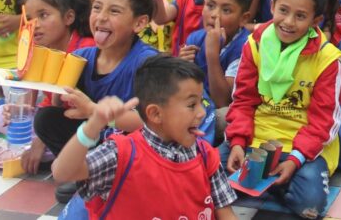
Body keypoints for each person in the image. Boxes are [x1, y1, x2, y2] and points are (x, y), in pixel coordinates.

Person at [224, 0, 341, 219]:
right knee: (203, 175)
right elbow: (243, 101)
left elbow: (325, 122)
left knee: (309, 206)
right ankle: (271, 181)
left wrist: (295, 159)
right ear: (271, 6)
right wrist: (237, 141)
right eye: (283, 10)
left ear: (316, 20)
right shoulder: (254, 44)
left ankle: (267, 180)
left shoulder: (329, 59)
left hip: (303, 147)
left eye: (301, 16)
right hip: (255, 140)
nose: (289, 22)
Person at [51, 56, 239, 219]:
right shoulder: (122, 155)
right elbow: (62, 172)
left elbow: (226, 213)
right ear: (156, 114)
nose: (201, 113)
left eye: (201, 103)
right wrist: (93, 126)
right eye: (191, 105)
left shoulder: (205, 155)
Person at [34, 0, 159, 201]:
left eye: (114, 11)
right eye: (97, 8)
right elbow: (60, 109)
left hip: (133, 147)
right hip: (96, 140)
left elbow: (150, 123)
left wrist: (93, 111)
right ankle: (84, 172)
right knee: (46, 118)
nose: (101, 18)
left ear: (139, 23)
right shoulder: (81, 57)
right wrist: (57, 89)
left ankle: (114, 178)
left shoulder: (147, 62)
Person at [0, 0, 94, 173]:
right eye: (30, 19)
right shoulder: (35, 48)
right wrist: (15, 109)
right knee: (0, 116)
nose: (36, 25)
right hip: (52, 117)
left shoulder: (85, 50)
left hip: (81, 121)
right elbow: (29, 100)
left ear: (68, 17)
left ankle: (49, 154)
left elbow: (63, 107)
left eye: (44, 15)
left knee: (44, 124)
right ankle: (37, 151)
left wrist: (39, 143)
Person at [180, 0, 253, 111]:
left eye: (226, 10)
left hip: (227, 112)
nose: (214, 15)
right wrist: (180, 65)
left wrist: (212, 55)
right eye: (210, 6)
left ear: (244, 18)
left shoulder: (246, 47)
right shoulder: (195, 39)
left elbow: (223, 102)